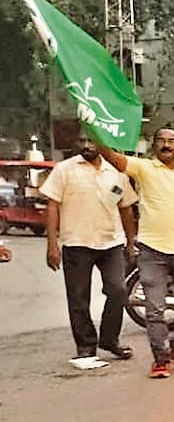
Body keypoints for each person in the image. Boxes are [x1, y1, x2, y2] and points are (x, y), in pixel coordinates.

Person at [96, 128, 174, 379]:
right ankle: (160, 359)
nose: (166, 145)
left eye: (172, 141)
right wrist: (96, 133)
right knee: (155, 310)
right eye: (161, 140)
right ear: (153, 145)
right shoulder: (144, 168)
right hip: (152, 252)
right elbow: (114, 158)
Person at [42, 132, 138, 370]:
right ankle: (86, 345)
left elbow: (125, 208)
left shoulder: (116, 172)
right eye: (82, 140)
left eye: (92, 140)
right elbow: (52, 206)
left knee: (118, 290)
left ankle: (109, 338)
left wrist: (130, 240)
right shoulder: (64, 169)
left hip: (111, 242)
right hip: (76, 242)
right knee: (78, 298)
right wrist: (52, 244)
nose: (86, 145)